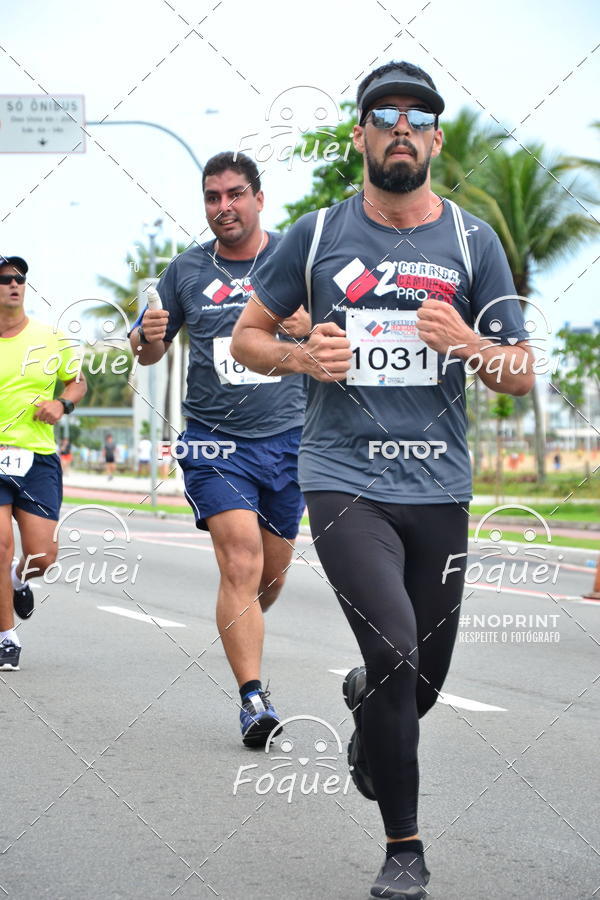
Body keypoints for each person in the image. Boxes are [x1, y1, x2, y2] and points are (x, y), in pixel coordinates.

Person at [231, 61, 534, 898]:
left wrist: (467, 343)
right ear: (361, 134)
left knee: (417, 678)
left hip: (439, 486)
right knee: (397, 647)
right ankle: (406, 849)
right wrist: (302, 356)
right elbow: (246, 339)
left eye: (417, 116)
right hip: (343, 478)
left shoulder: (474, 245)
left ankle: (369, 698)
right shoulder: (319, 235)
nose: (401, 126)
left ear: (434, 139)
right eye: (383, 114)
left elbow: (519, 372)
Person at [129, 152, 310, 747]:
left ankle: (242, 621)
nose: (223, 207)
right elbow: (148, 346)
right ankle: (253, 699)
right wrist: (146, 337)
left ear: (259, 198)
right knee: (239, 560)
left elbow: (336, 330)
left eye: (234, 195)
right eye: (212, 197)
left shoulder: (296, 258)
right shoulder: (183, 270)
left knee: (269, 575)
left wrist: (307, 325)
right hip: (214, 442)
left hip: (288, 442)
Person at [0, 255, 86, 670]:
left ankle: (18, 580)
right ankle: (6, 636)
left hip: (37, 458)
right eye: (4, 280)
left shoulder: (49, 338)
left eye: (19, 278)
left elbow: (78, 380)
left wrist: (62, 403)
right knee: (0, 546)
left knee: (42, 557)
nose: (14, 285)